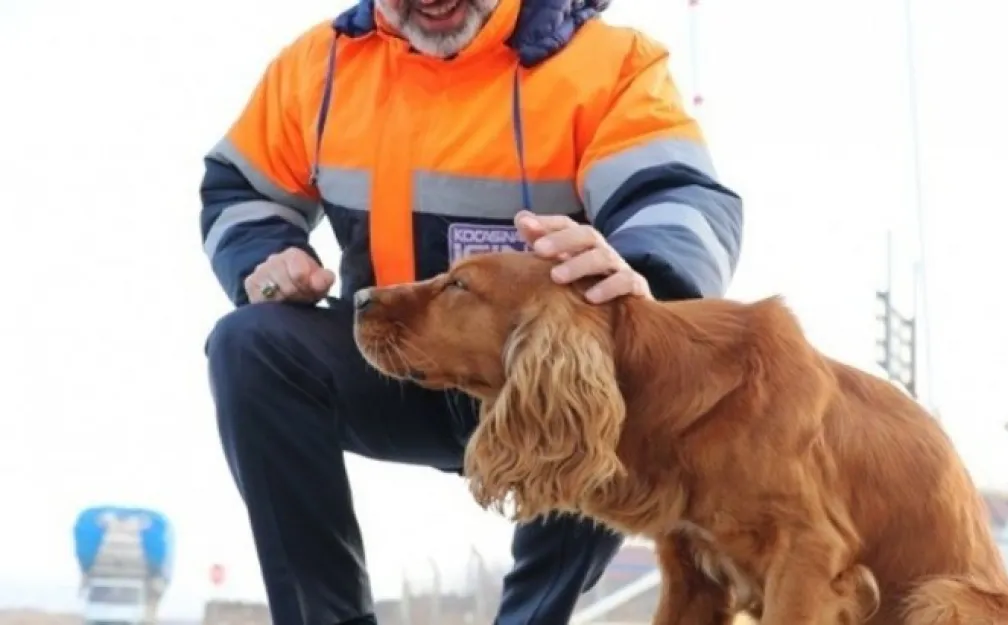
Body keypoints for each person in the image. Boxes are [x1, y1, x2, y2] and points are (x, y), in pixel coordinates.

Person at [198, 0, 743, 623]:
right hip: (394, 355)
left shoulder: (611, 65)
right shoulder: (318, 67)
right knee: (247, 345)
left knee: (620, 356)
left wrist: (643, 270)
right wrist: (263, 259)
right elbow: (239, 187)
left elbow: (678, 193)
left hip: (541, 381)